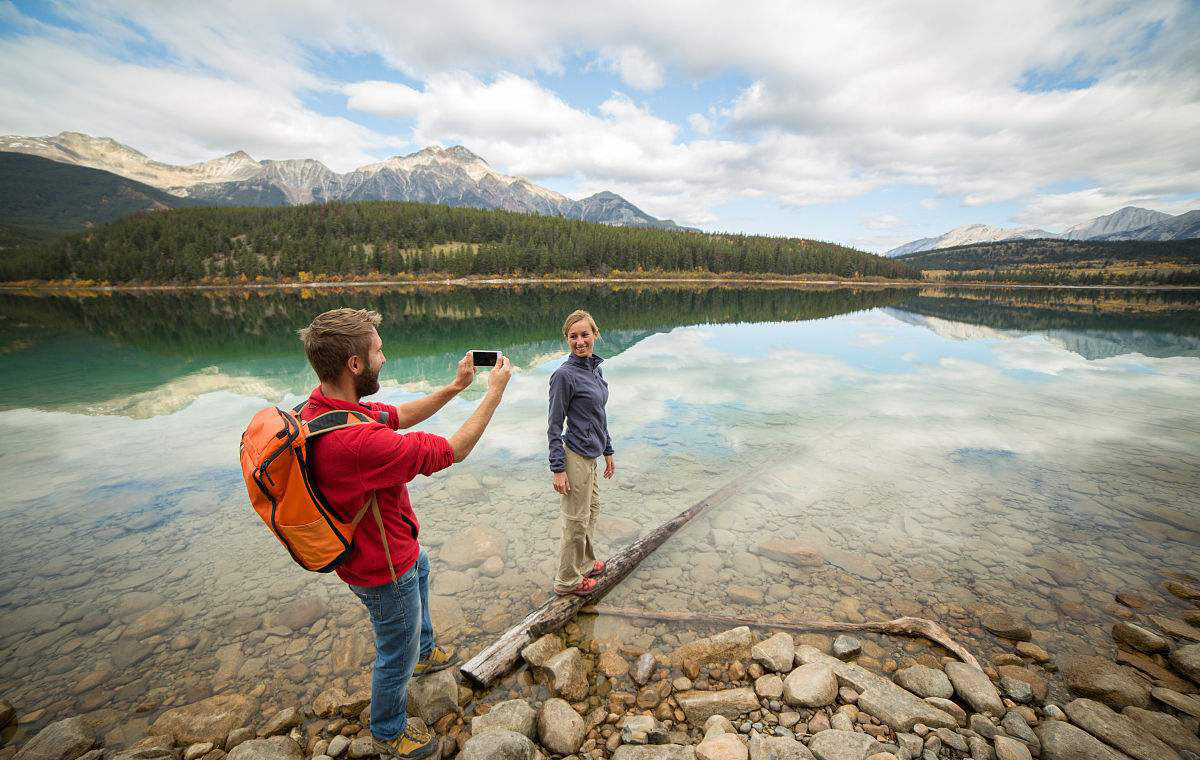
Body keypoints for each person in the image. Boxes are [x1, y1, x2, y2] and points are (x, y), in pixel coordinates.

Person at [297, 308, 511, 760]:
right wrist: (493, 394)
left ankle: (427, 651)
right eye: (377, 351)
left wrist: (456, 388)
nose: (385, 358)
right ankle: (389, 731)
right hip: (380, 568)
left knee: (423, 568)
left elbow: (397, 415)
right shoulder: (356, 443)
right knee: (394, 652)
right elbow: (456, 449)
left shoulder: (326, 408)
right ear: (354, 364)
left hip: (392, 550)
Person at [547, 309, 615, 597]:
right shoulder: (564, 375)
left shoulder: (595, 370)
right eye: (573, 336)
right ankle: (567, 581)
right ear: (567, 340)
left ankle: (585, 564)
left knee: (591, 512)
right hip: (573, 456)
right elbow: (553, 424)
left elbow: (599, 415)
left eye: (584, 334)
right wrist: (558, 468)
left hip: (591, 456)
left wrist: (608, 451)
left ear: (595, 334)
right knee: (575, 521)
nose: (579, 341)